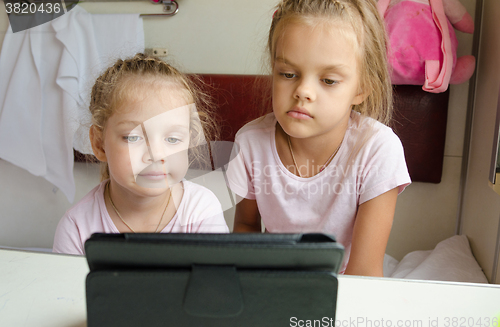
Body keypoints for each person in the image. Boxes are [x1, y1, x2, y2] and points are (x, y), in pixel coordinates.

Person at [227, 0, 411, 276]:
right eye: (288, 74)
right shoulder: (250, 143)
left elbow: (364, 272)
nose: (303, 91)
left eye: (328, 81)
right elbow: (245, 228)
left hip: (343, 294)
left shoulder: (378, 149)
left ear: (362, 89)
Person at [53, 54, 229, 255]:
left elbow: (214, 284)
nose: (156, 154)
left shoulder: (201, 210)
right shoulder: (76, 227)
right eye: (132, 137)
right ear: (99, 144)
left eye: (172, 139)